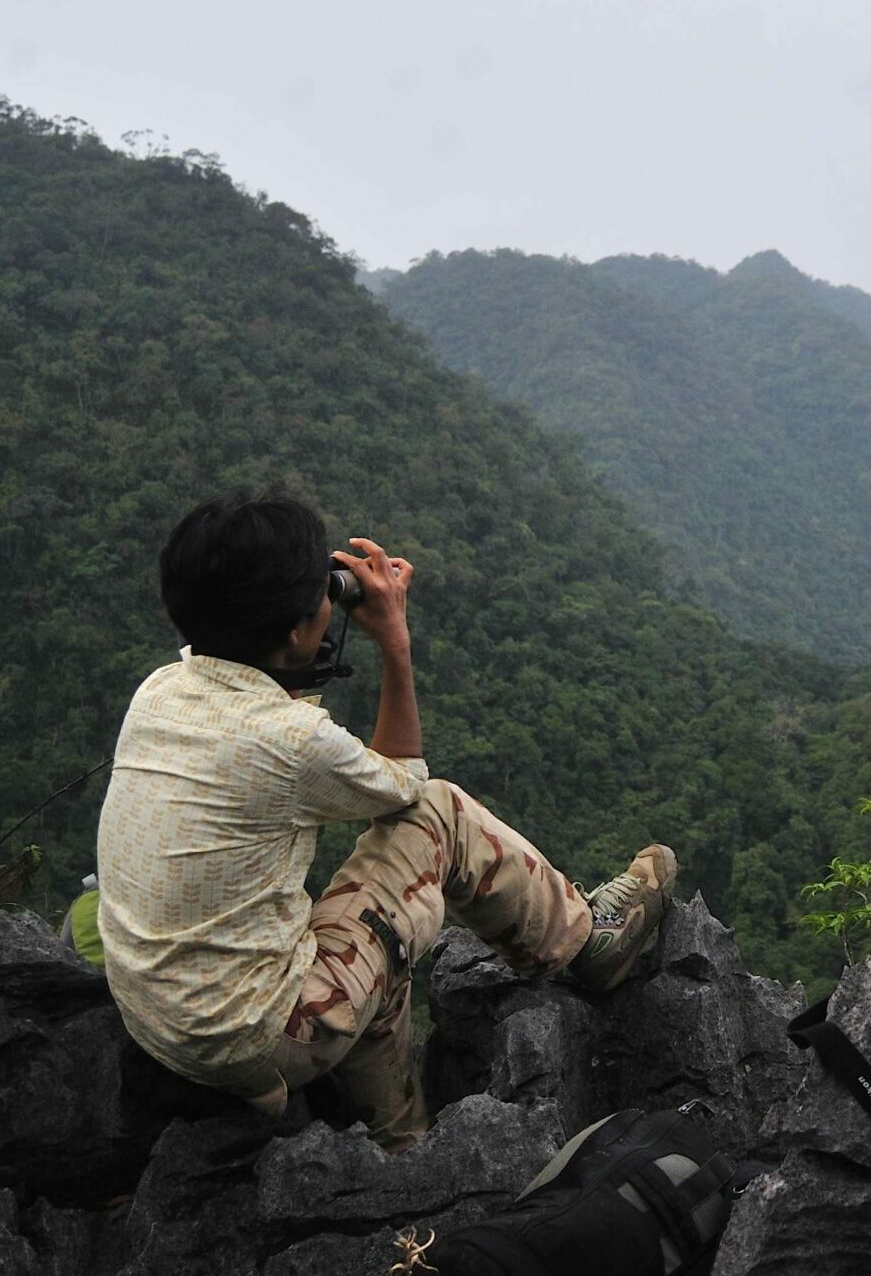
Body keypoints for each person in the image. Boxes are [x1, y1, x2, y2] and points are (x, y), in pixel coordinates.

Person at [97, 493, 676, 1152]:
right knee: (438, 813)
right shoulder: (292, 739)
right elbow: (405, 784)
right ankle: (585, 944)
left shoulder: (160, 690)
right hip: (253, 1040)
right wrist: (393, 641)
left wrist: (301, 624)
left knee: (375, 936)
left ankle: (399, 1141)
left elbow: (259, 702)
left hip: (159, 1020)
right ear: (293, 630)